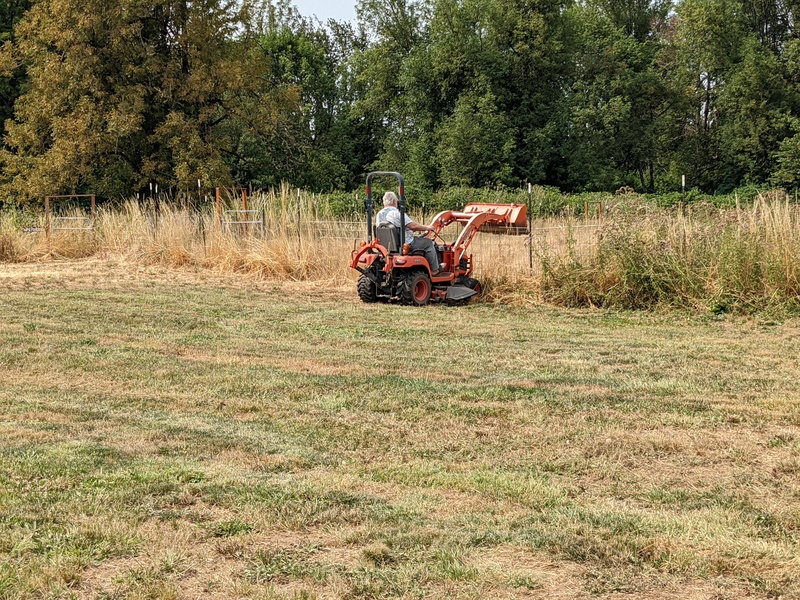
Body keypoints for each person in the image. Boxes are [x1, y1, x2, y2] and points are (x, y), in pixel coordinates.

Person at [376, 191, 441, 273]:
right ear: (394, 201)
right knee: (428, 243)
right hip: (405, 244)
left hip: (387, 247)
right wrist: (427, 227)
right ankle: (435, 270)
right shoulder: (396, 213)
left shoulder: (379, 214)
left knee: (420, 239)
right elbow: (413, 226)